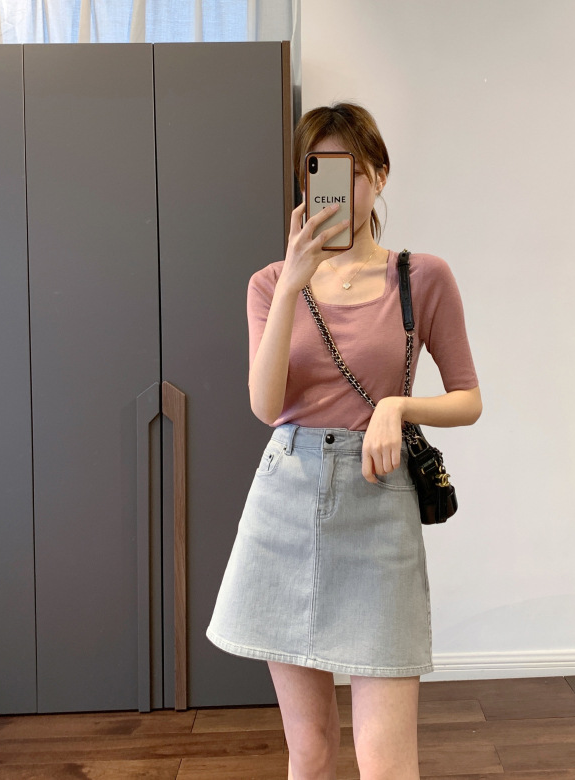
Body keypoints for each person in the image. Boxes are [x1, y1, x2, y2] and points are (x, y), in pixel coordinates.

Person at [206, 102, 482, 780]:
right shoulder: (269, 284)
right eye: (319, 170)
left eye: (351, 171)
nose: (335, 187)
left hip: (378, 503)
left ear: (379, 176)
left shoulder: (422, 278)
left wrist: (397, 405)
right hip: (285, 501)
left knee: (385, 761)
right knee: (310, 750)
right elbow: (266, 405)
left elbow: (468, 398)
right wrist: (293, 283)